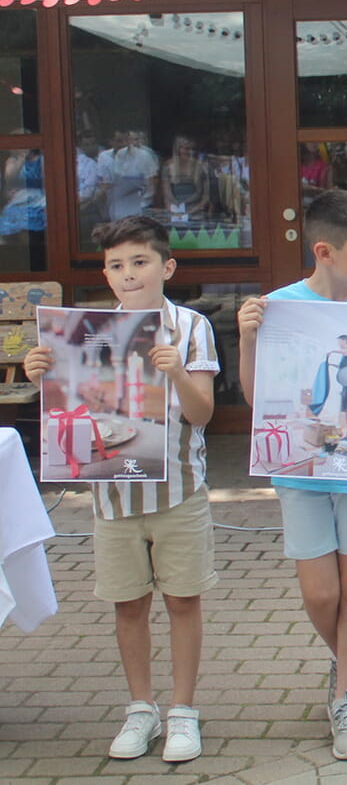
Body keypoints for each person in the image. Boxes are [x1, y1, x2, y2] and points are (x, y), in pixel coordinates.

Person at [24, 216, 220, 761]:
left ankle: (183, 711)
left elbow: (202, 413)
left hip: (179, 492)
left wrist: (177, 372)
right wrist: (44, 373)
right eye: (116, 265)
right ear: (106, 274)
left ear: (167, 267)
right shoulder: (83, 330)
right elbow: (72, 414)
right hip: (111, 497)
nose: (128, 274)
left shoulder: (191, 327)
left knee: (183, 598)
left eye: (140, 262)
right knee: (127, 605)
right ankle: (140, 708)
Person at [237, 189, 347, 759]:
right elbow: (257, 396)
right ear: (325, 251)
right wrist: (246, 339)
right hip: (300, 466)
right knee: (320, 592)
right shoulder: (278, 307)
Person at [161, 135, 211, 220]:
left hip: (196, 213)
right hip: (175, 212)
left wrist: (189, 213)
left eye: (193, 149)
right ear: (178, 149)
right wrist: (174, 212)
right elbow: (166, 195)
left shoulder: (202, 167)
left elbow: (206, 196)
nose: (190, 152)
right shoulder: (168, 166)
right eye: (186, 149)